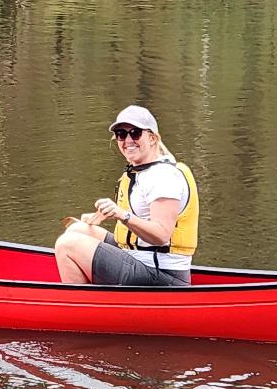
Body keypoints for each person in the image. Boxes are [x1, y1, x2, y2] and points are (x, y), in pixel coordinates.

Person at [54, 105, 199, 287]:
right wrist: (104, 214)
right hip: (139, 259)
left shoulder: (164, 176)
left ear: (152, 138)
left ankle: (83, 309)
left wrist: (123, 215)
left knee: (67, 244)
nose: (128, 140)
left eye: (135, 133)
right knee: (77, 229)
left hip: (162, 275)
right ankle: (96, 301)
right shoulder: (141, 171)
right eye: (122, 134)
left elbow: (162, 235)